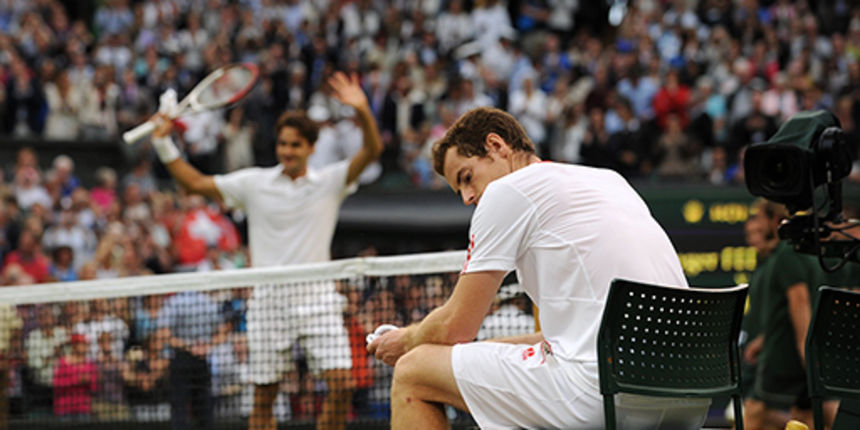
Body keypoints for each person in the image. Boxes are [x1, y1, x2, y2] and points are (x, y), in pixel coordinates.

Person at [368, 107, 710, 429]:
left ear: (496, 145)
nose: (467, 197)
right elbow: (566, 339)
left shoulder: (506, 192)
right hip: (691, 394)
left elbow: (455, 326)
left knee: (414, 369)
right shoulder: (610, 180)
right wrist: (478, 351)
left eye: (467, 177)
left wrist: (408, 340)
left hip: (607, 393)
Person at [148, 71, 383, 430]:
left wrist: (363, 110)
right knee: (264, 397)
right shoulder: (253, 184)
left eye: (295, 145)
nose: (287, 151)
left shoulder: (330, 182)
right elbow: (195, 182)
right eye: (283, 144)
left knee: (341, 384)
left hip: (319, 299)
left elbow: (372, 151)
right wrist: (164, 144)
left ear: (310, 147)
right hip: (269, 303)